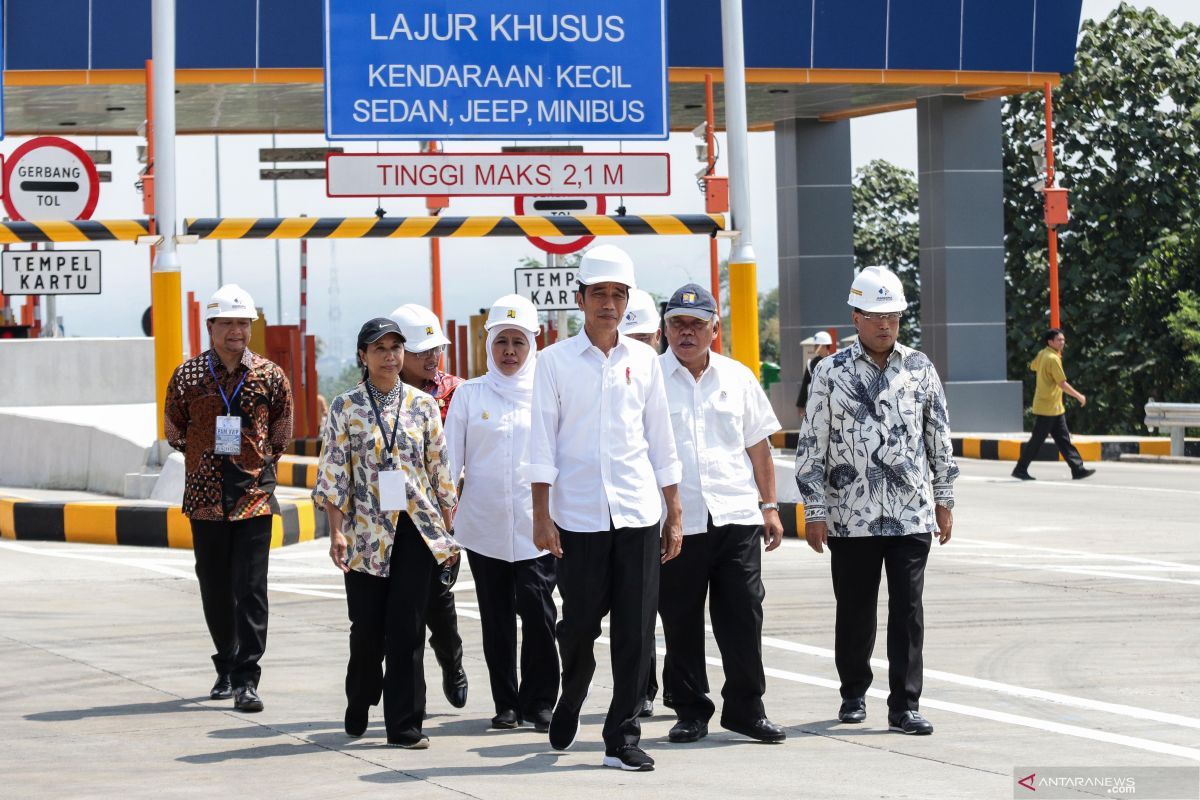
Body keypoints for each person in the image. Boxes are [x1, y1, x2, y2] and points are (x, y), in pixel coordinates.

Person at [529, 244, 684, 772]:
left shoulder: (644, 361)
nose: (610, 304)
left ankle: (621, 735)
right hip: (578, 516)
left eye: (619, 295)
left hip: (639, 512)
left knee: (637, 629)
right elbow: (541, 444)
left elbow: (660, 438)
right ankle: (572, 692)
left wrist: (674, 510)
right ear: (580, 299)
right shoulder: (551, 363)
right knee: (576, 627)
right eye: (600, 294)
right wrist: (540, 513)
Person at [794, 266, 958, 736]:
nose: (886, 325)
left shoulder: (920, 368)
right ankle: (853, 692)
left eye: (894, 316)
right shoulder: (830, 372)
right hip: (851, 517)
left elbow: (938, 438)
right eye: (876, 316)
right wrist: (815, 510)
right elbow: (813, 445)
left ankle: (905, 705)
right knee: (855, 609)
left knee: (908, 611)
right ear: (856, 316)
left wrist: (944, 498)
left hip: (910, 513)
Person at [313, 318, 460, 749]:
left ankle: (405, 725)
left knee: (408, 630)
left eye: (397, 347)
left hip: (415, 529)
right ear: (363, 356)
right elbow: (334, 474)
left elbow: (440, 471)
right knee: (367, 632)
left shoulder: (423, 406)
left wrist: (446, 534)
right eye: (380, 348)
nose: (390, 355)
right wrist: (335, 534)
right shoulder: (345, 406)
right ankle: (359, 700)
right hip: (365, 533)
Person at [658, 283, 787, 745]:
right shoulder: (648, 380)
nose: (687, 333)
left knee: (743, 615)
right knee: (681, 618)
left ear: (715, 328)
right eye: (678, 323)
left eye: (697, 324)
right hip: (676, 522)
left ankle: (746, 710)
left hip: (736, 517)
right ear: (665, 328)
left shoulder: (738, 378)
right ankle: (690, 710)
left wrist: (769, 507)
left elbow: (759, 447)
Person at [164, 284, 293, 713]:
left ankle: (247, 679)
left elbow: (281, 429)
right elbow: (174, 429)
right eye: (228, 323)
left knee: (251, 588)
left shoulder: (270, 376)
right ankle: (226, 660)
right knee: (215, 586)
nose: (236, 331)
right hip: (204, 497)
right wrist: (203, 457)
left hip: (253, 495)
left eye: (243, 323)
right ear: (211, 327)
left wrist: (256, 463)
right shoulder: (188, 376)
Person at [445, 295, 559, 732]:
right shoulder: (470, 396)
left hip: (540, 525)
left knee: (538, 609)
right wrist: (443, 518)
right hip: (484, 525)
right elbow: (449, 463)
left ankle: (540, 700)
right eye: (501, 342)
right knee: (495, 617)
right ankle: (506, 704)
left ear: (533, 345)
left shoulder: (548, 394)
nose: (509, 352)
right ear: (488, 344)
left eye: (518, 342)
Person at [389, 303, 469, 710]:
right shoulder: (375, 395)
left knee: (439, 603)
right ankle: (403, 697)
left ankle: (451, 659)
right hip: (388, 520)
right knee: (398, 613)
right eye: (422, 351)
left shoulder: (458, 392)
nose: (432, 358)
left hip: (440, 516)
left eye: (435, 349)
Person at [619, 286, 663, 716]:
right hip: (633, 514)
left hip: (679, 516)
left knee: (681, 614)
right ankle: (642, 689)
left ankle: (686, 694)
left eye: (646, 339)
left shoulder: (673, 376)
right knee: (638, 611)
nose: (639, 348)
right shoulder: (613, 380)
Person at [1012, 328, 1095, 481]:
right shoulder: (1053, 358)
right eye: (1059, 340)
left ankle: (1078, 469)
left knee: (1063, 440)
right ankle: (1020, 468)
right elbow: (1062, 384)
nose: (1062, 342)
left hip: (1053, 407)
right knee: (1037, 440)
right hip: (1048, 407)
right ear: (1050, 342)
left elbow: (1033, 366)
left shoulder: (1043, 354)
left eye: (1063, 339)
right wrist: (1079, 396)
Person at [796, 331, 834, 415]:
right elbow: (805, 384)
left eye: (817, 345)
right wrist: (801, 405)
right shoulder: (811, 363)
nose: (814, 348)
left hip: (832, 404)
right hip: (815, 405)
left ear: (824, 346)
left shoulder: (834, 362)